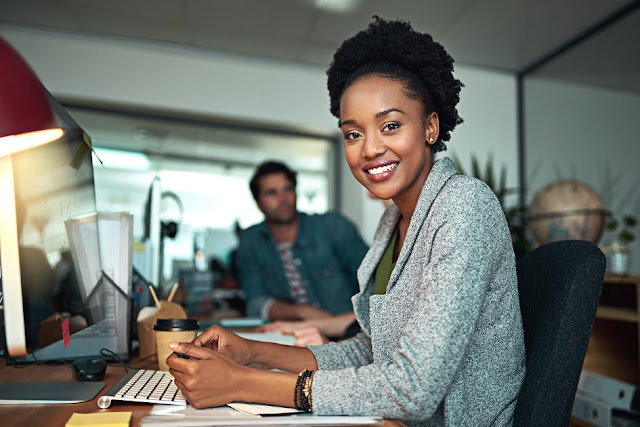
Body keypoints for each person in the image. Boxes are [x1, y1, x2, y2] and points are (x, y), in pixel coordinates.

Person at [167, 17, 525, 426]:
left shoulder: (464, 206)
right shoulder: (393, 221)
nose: (370, 149)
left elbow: (412, 389)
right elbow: (369, 352)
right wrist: (251, 352)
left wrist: (241, 383)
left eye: (390, 126)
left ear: (430, 127)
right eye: (353, 134)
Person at [236, 160, 368, 321]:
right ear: (258, 204)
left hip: (348, 331)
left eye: (287, 189)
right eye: (271, 193)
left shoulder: (333, 226)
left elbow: (372, 283)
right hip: (291, 334)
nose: (282, 198)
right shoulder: (251, 241)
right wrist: (302, 311)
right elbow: (255, 303)